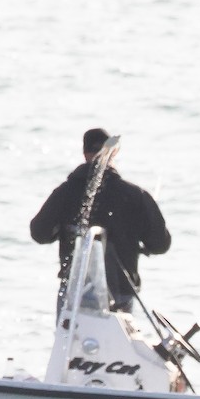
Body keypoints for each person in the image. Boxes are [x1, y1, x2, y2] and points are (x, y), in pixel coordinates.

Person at [30, 128, 171, 314]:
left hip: (74, 290)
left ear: (84, 153)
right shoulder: (135, 195)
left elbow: (39, 233)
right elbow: (160, 244)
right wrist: (139, 244)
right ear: (113, 152)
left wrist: (60, 231)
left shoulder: (64, 193)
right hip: (120, 291)